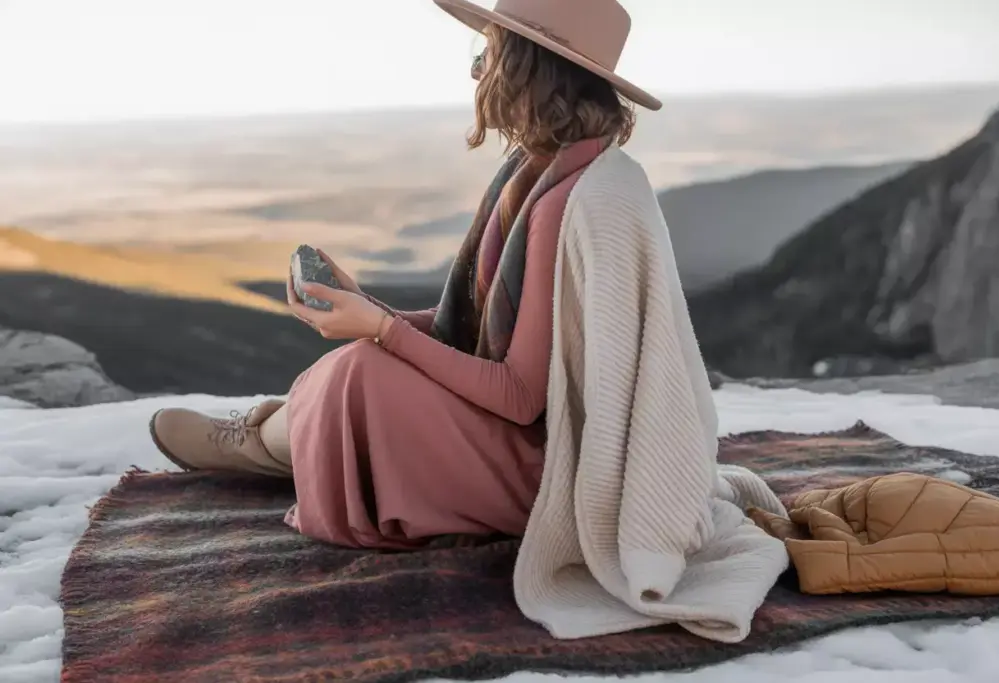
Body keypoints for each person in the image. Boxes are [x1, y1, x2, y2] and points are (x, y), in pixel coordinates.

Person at [149, 0, 667, 549]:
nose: (477, 74)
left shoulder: (562, 200)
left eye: (486, 57)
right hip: (551, 445)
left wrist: (382, 329)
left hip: (547, 474)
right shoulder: (557, 169)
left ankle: (276, 448)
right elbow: (489, 336)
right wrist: (375, 311)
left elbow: (519, 395)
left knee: (363, 371)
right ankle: (279, 438)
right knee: (367, 361)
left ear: (525, 69)